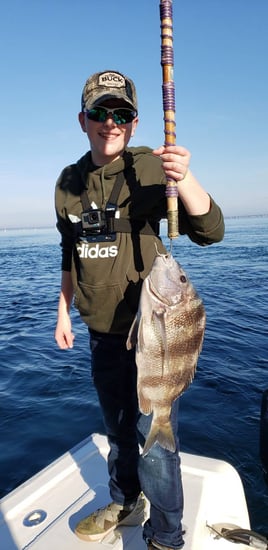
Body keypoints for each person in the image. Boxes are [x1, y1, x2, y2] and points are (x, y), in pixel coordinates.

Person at [54, 69, 224, 550]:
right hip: (101, 333)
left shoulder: (148, 166)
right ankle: (126, 502)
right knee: (118, 432)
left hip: (155, 337)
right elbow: (68, 250)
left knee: (157, 440)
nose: (111, 122)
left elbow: (211, 230)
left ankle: (167, 537)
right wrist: (62, 311)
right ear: (83, 120)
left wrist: (184, 177)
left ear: (134, 121)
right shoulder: (68, 183)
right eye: (99, 112)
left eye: (122, 113)